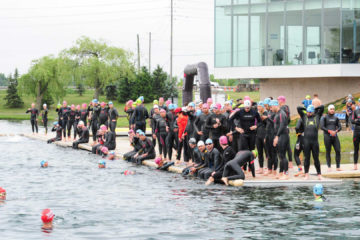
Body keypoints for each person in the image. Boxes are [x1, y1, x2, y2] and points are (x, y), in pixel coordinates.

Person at [297, 104, 325, 180]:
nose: (308, 113)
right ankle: (306, 174)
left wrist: (314, 108)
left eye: (310, 112)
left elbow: (322, 107)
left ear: (313, 112)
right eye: (307, 112)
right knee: (307, 158)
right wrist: (306, 108)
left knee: (316, 159)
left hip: (315, 142)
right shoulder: (304, 117)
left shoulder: (317, 116)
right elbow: (298, 108)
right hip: (306, 142)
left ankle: (319, 174)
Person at [320, 104, 342, 172]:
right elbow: (322, 127)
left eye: (333, 109)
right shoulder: (324, 117)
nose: (332, 110)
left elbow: (340, 127)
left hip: (335, 136)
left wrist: (336, 131)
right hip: (327, 136)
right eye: (331, 109)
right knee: (328, 151)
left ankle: (338, 167)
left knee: (338, 150)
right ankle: (329, 166)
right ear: (328, 110)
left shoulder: (336, 118)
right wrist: (329, 131)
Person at [273, 100, 290, 180]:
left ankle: (286, 174)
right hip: (280, 136)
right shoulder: (277, 113)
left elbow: (282, 125)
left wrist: (277, 136)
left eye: (272, 106)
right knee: (280, 155)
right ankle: (280, 173)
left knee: (283, 155)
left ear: (276, 105)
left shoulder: (281, 113)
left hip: (283, 136)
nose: (271, 108)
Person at [256, 101, 267, 174]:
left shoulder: (266, 114)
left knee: (267, 152)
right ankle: (261, 168)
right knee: (260, 152)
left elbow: (268, 125)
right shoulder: (257, 114)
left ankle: (269, 168)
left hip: (264, 135)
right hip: (258, 135)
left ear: (263, 107)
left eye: (260, 106)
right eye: (258, 106)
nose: (258, 108)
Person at [351, 104, 360, 170]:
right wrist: (356, 121)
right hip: (356, 132)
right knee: (356, 149)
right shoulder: (355, 111)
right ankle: (355, 165)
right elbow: (352, 121)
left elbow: (356, 121)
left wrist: (357, 121)